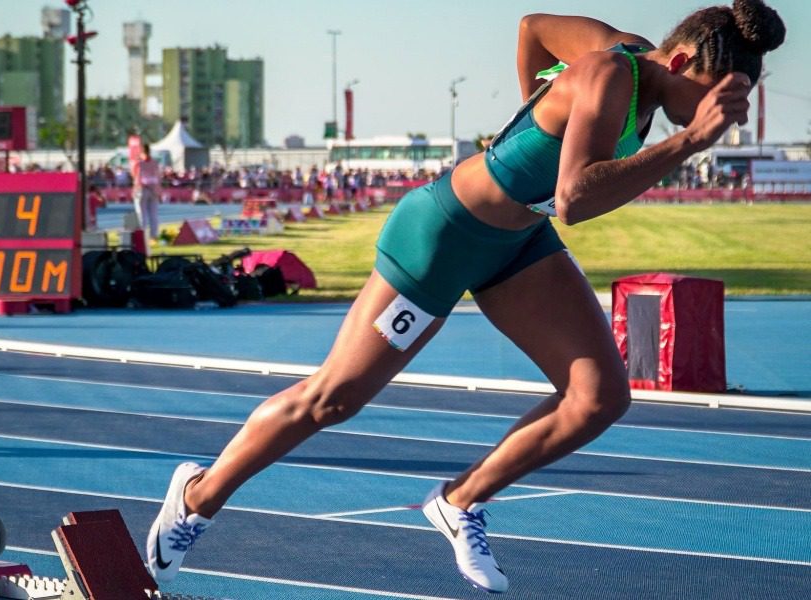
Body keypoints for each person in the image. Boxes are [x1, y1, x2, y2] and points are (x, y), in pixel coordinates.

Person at [145, 1, 785, 593]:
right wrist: (686, 141)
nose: (717, 121)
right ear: (679, 63)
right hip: (444, 236)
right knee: (331, 400)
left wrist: (529, 118)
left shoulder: (640, 68)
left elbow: (533, 29)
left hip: (518, 247)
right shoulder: (610, 72)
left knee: (599, 397)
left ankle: (459, 501)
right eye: (716, 102)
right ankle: (197, 498)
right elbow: (574, 199)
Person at [133, 143, 162, 240]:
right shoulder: (155, 163)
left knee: (142, 214)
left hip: (143, 188)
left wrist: (135, 190)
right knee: (153, 214)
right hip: (153, 189)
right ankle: (154, 235)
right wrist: (158, 190)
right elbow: (158, 177)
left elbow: (137, 178)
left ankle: (143, 236)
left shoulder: (139, 164)